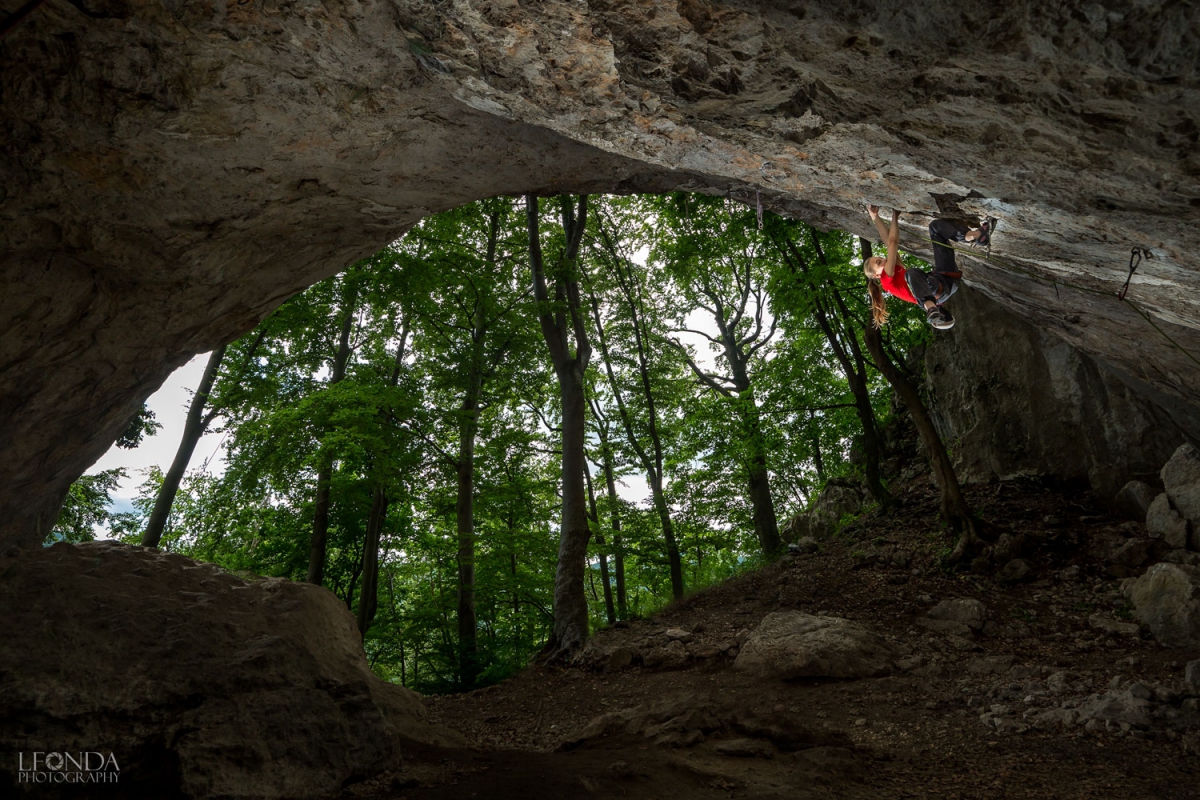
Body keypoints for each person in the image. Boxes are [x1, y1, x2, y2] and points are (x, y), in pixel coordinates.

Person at [862, 205, 992, 330]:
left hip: (947, 278)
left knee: (935, 228)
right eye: (879, 263)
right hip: (936, 292)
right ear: (877, 275)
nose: (884, 260)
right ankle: (931, 310)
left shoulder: (895, 269)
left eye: (881, 258)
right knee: (911, 273)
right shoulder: (886, 280)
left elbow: (888, 241)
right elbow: (892, 243)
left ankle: (975, 236)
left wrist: (875, 217)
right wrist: (894, 216)